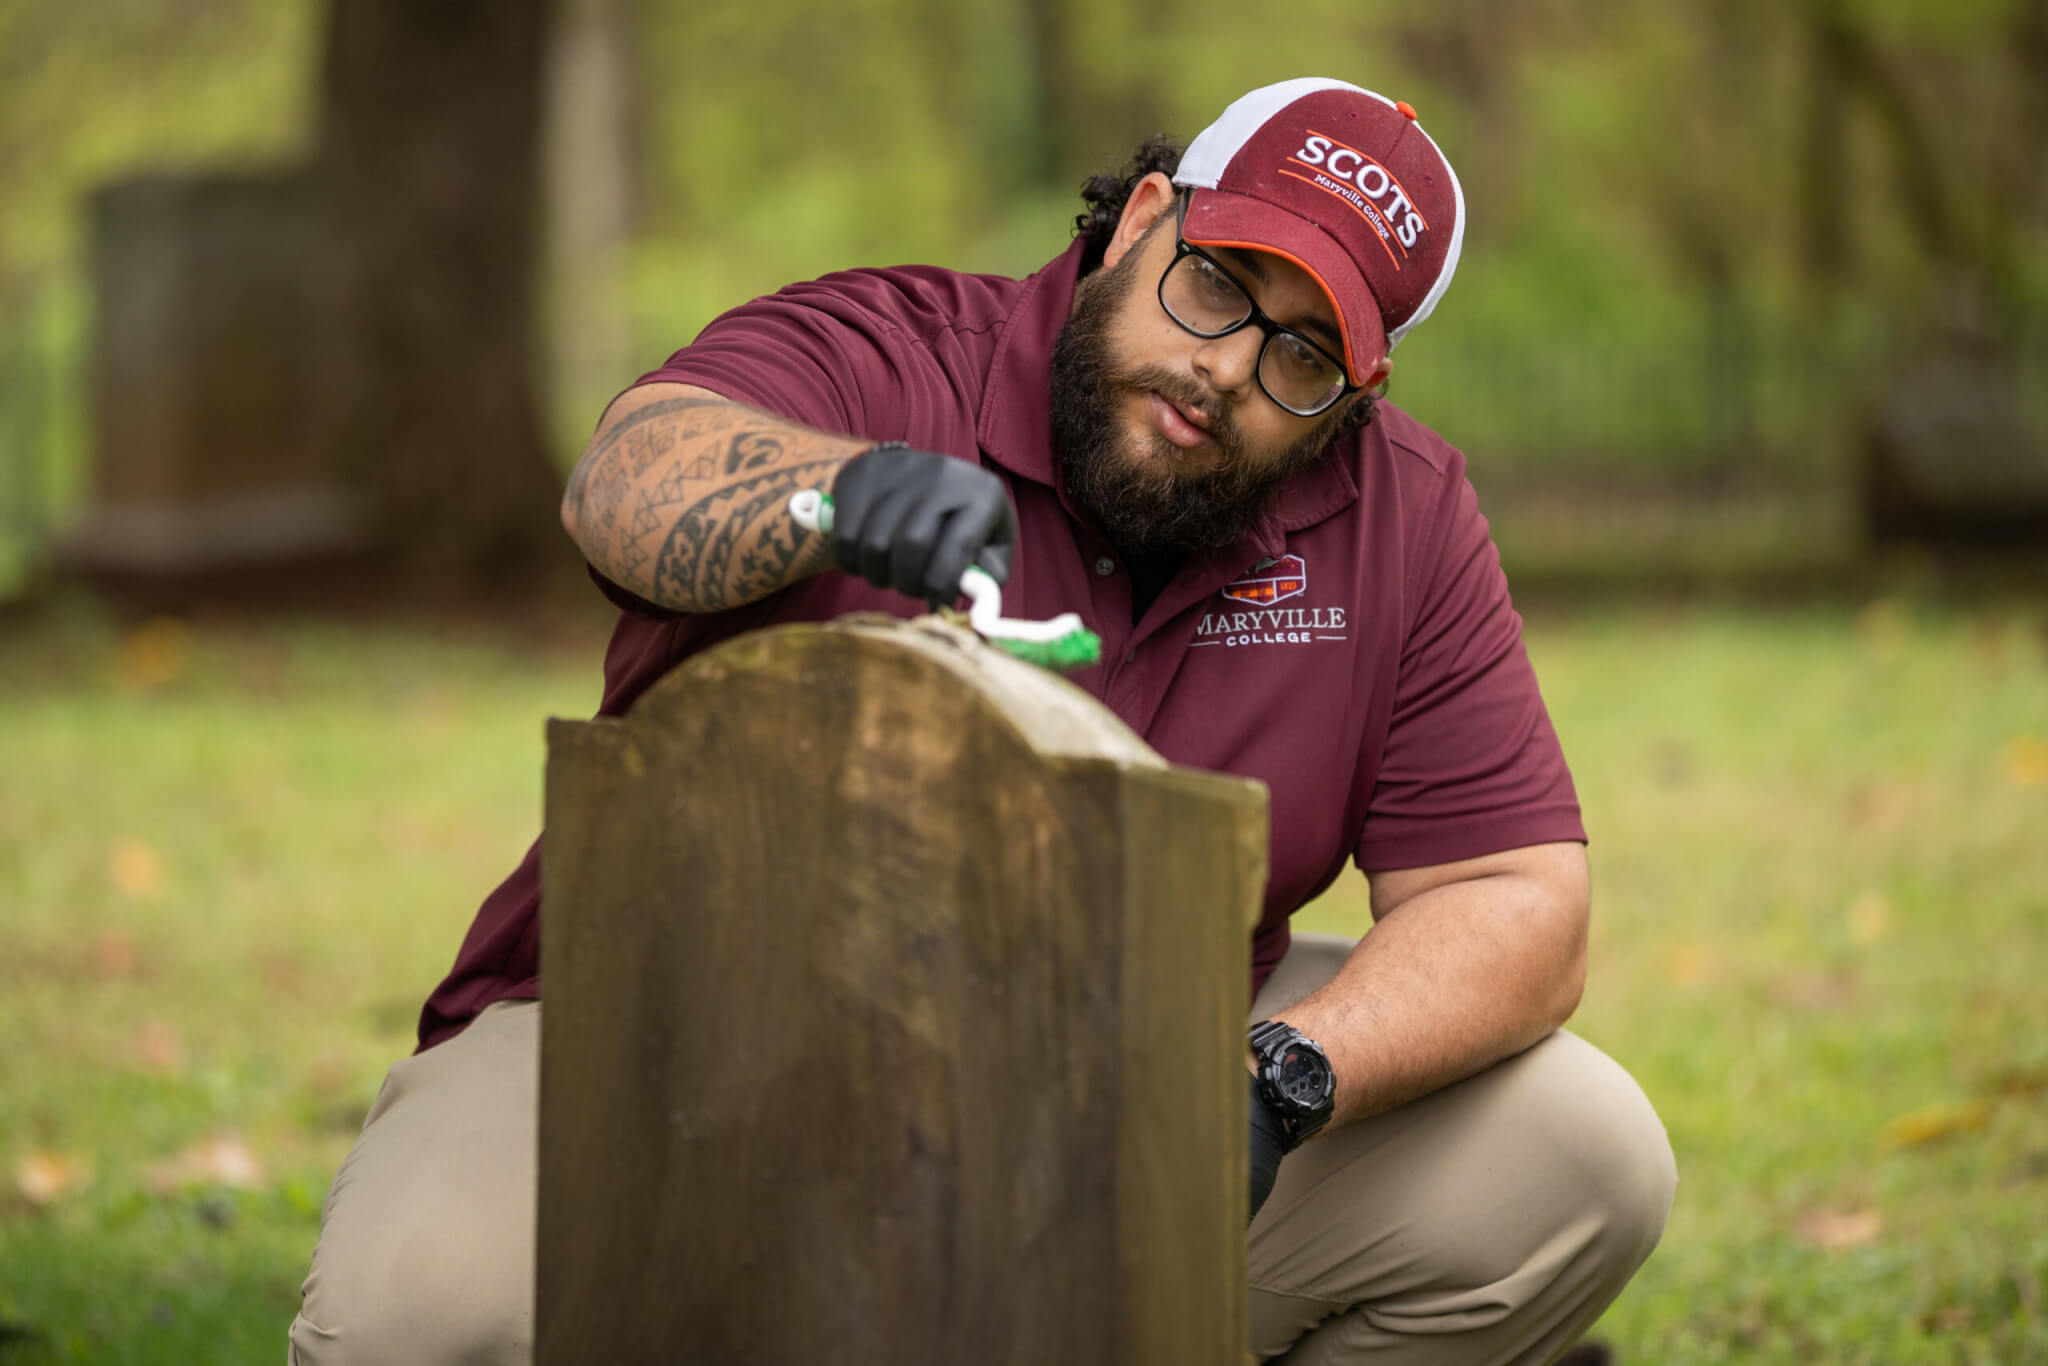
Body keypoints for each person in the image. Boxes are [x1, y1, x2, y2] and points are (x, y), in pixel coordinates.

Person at [290, 77, 1675, 1365]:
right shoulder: (884, 351)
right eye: (1216, 283)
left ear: (1357, 398)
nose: (1227, 368)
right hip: (672, 1024)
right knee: (410, 1325)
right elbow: (626, 479)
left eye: (1303, 353)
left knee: (1579, 1156)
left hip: (1115, 1075)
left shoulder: (1403, 514)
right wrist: (832, 494)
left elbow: (1514, 896)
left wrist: (1278, 1080)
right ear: (1144, 218)